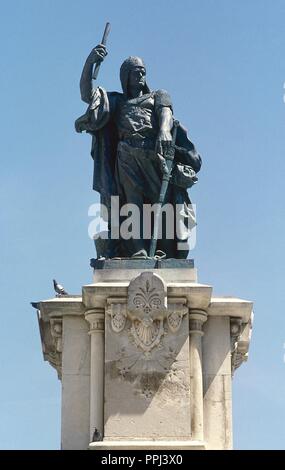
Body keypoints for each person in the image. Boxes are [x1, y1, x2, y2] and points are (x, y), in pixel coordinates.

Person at [75, 44, 202, 259]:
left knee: (159, 203)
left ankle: (164, 247)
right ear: (126, 76)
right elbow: (88, 95)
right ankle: (137, 250)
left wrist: (163, 131)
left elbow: (166, 113)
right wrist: (90, 62)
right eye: (136, 72)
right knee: (132, 205)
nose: (141, 75)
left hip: (154, 155)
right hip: (126, 156)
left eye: (143, 71)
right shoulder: (116, 101)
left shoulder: (158, 96)